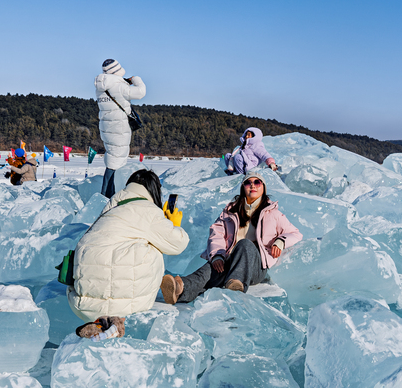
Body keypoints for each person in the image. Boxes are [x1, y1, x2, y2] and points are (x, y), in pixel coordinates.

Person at [68, 169, 188, 330]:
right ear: (154, 190)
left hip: (80, 304)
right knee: (153, 247)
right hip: (126, 306)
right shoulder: (148, 210)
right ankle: (115, 323)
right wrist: (173, 224)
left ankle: (99, 324)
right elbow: (177, 244)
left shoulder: (111, 206)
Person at [161, 170, 301, 304]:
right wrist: (217, 256)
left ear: (263, 188)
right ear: (243, 188)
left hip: (256, 266)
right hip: (231, 259)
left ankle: (235, 283)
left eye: (257, 182)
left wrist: (280, 241)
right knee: (211, 269)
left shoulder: (273, 213)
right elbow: (217, 233)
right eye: (248, 183)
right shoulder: (230, 211)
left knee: (245, 244)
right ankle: (180, 288)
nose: (252, 185)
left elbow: (295, 233)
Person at [95, 58, 146, 199]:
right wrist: (136, 79)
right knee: (117, 161)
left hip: (106, 127)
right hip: (119, 128)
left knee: (112, 157)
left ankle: (108, 194)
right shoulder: (119, 86)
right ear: (117, 71)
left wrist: (122, 81)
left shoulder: (101, 88)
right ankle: (107, 196)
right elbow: (141, 92)